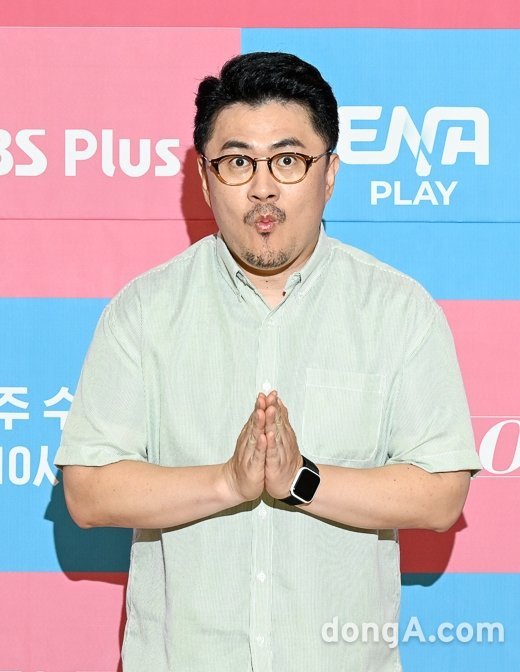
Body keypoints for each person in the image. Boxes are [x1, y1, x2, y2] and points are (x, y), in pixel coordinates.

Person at [55, 51, 482, 671]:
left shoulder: (399, 311)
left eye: (287, 160)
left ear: (329, 173)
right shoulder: (143, 311)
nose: (262, 188)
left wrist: (300, 480)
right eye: (237, 162)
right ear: (204, 179)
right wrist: (228, 483)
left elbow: (441, 495)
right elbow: (88, 490)